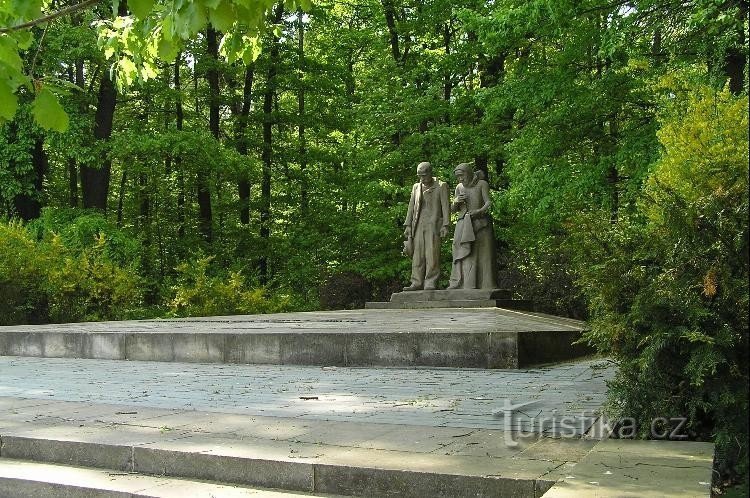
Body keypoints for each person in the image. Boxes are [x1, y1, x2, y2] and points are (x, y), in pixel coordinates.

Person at [447, 162, 498, 289]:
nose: (460, 179)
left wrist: (479, 211)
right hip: (464, 224)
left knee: (483, 254)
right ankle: (464, 284)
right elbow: (453, 210)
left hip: (481, 223)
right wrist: (456, 201)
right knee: (462, 252)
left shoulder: (482, 184)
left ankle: (485, 285)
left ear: (469, 173)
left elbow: (488, 203)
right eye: (458, 177)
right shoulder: (459, 187)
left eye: (462, 175)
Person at [403, 162, 450, 291]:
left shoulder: (441, 186)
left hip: (433, 223)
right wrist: (408, 225)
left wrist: (446, 225)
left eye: (424, 175)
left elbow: (446, 207)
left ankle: (431, 281)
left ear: (430, 173)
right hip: (418, 224)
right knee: (417, 254)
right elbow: (411, 207)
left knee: (432, 253)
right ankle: (416, 282)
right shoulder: (416, 187)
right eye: (419, 176)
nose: (422, 179)